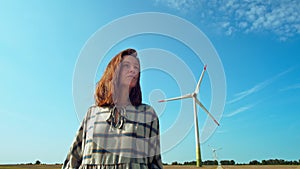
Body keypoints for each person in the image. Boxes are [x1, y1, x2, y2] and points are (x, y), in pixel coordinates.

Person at [62, 48, 163, 169]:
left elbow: (155, 163)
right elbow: (73, 159)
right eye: (127, 65)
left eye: (136, 68)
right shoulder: (92, 113)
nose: (133, 70)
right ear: (114, 71)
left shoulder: (148, 114)